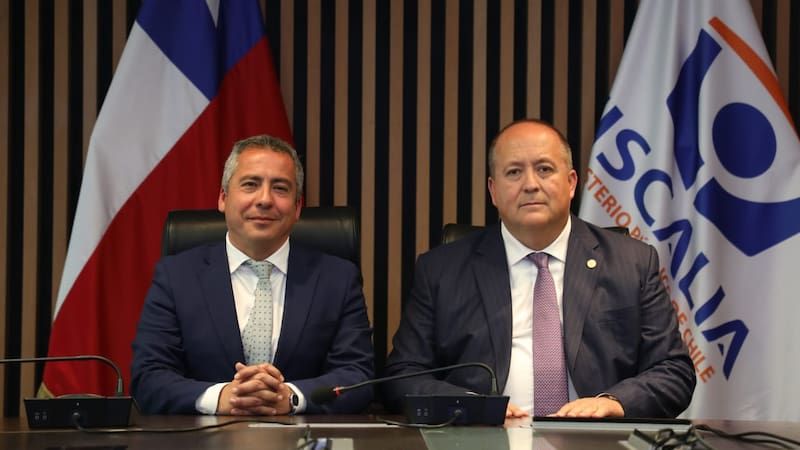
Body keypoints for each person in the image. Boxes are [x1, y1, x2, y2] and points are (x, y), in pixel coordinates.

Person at [382, 119, 695, 419]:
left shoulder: (633, 263)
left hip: (596, 440)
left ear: (571, 183)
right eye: (514, 172)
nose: (530, 184)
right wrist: (469, 406)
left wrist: (613, 403)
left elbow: (674, 371)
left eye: (544, 169)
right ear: (493, 191)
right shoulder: (441, 271)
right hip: (483, 438)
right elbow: (402, 375)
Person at [131, 135, 374, 415]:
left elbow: (358, 376)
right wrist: (222, 397)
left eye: (280, 188)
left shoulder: (337, 279)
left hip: (302, 435)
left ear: (297, 207)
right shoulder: (176, 277)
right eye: (250, 184)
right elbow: (148, 377)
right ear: (223, 198)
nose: (265, 200)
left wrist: (291, 397)